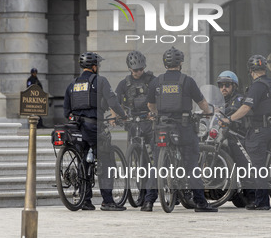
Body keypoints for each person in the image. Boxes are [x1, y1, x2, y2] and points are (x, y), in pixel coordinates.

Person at [142, 46, 217, 213]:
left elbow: (150, 104)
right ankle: (200, 203)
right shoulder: (187, 81)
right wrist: (208, 112)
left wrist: (156, 114)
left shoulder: (157, 81)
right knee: (191, 165)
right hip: (183, 127)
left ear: (165, 63)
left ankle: (148, 203)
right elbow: (202, 103)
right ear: (181, 63)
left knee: (157, 166)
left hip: (162, 126)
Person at [63, 51, 127, 211]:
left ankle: (85, 200)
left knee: (83, 160)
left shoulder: (72, 84)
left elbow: (66, 111)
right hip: (93, 126)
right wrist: (123, 115)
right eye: (98, 65)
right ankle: (107, 201)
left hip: (75, 128)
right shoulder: (101, 81)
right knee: (107, 160)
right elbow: (113, 102)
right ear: (93, 66)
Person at [221, 55, 271, 210]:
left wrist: (230, 119)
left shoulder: (257, 86)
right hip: (269, 127)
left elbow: (246, 107)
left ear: (251, 71)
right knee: (260, 165)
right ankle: (260, 199)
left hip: (259, 129)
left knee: (257, 166)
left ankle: (262, 202)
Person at [217, 70, 253, 206]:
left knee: (242, 164)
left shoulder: (238, 99)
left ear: (234, 86)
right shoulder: (219, 101)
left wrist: (223, 114)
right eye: (221, 85)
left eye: (227, 85)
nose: (223, 88)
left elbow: (233, 111)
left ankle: (251, 196)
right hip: (225, 135)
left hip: (238, 135)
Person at [115, 50, 155, 138]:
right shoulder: (124, 83)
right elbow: (115, 102)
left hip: (149, 121)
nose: (139, 72)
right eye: (136, 70)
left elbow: (161, 98)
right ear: (130, 69)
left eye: (141, 69)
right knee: (133, 147)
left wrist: (155, 113)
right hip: (132, 120)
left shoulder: (152, 80)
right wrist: (117, 116)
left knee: (154, 147)